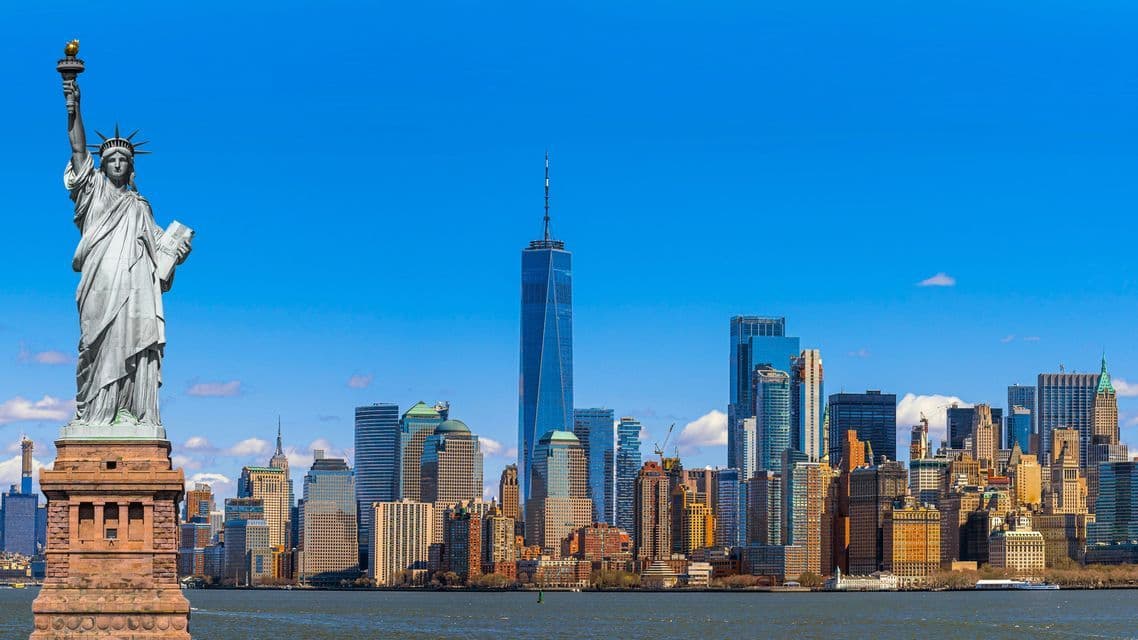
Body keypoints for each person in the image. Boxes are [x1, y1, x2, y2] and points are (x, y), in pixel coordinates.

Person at [62, 76, 191, 427]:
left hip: (136, 289)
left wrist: (177, 250)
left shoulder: (140, 206)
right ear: (101, 167)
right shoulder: (93, 194)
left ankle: (128, 411)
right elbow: (77, 150)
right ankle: (95, 413)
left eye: (123, 159)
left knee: (133, 344)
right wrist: (73, 107)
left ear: (131, 169)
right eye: (110, 159)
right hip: (100, 281)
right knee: (97, 344)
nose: (117, 163)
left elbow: (159, 250)